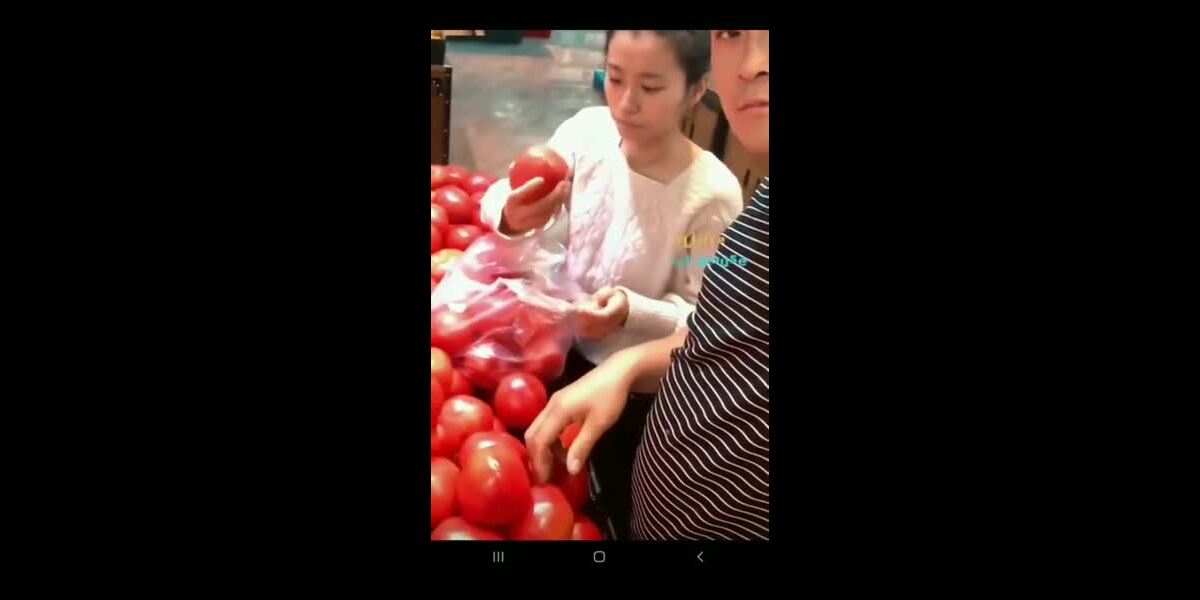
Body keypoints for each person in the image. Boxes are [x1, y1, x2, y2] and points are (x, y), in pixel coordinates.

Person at [479, 31, 745, 533]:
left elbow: (705, 316)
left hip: (633, 394)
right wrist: (513, 214)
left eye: (650, 87)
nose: (625, 103)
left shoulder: (711, 197)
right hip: (552, 353)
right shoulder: (586, 135)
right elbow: (502, 195)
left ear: (695, 90)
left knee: (602, 502)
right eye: (615, 78)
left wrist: (629, 310)